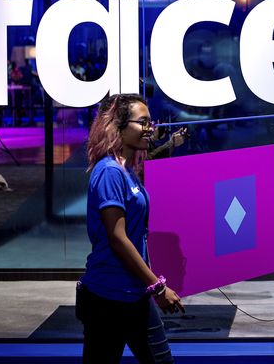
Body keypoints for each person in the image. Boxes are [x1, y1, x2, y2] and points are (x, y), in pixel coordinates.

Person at [77, 93, 183, 363]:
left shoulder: (126, 170)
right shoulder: (109, 172)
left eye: (151, 123)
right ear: (119, 126)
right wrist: (157, 287)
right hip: (107, 298)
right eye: (143, 122)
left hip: (134, 295)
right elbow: (118, 238)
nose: (151, 129)